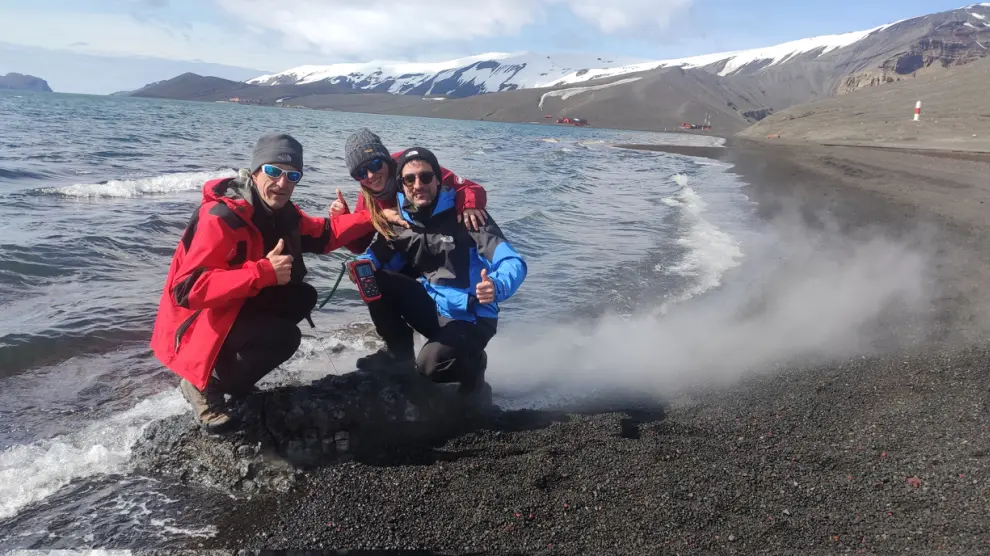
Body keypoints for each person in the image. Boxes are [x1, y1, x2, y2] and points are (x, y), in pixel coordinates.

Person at [150, 132, 375, 432]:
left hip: (229, 311)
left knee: (300, 298)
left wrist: (375, 216)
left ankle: (234, 381)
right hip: (193, 325)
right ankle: (201, 383)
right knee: (285, 337)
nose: (283, 184)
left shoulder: (283, 213)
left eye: (293, 176)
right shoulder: (220, 217)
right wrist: (262, 273)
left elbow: (323, 234)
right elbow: (187, 290)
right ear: (255, 171)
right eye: (273, 172)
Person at [354, 147, 527, 403]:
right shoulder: (401, 220)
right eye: (409, 179)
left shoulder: (467, 217)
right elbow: (377, 254)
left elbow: (513, 261)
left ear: (438, 179)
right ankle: (398, 355)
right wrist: (361, 263)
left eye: (425, 177)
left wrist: (497, 285)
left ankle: (475, 368)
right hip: (435, 308)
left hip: (472, 315)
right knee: (372, 277)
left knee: (430, 368)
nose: (418, 184)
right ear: (401, 185)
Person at [328, 128, 489, 252]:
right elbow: (359, 246)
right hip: (408, 249)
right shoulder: (367, 196)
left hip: (444, 239)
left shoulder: (411, 167)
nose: (371, 175)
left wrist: (469, 205)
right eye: (361, 172)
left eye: (375, 164)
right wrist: (344, 218)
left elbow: (469, 187)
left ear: (387, 160)